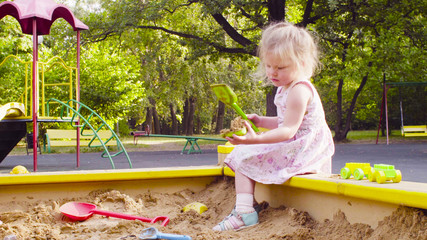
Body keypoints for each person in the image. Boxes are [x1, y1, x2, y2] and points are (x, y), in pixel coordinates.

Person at [213, 22, 335, 231]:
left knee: (243, 155)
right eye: (269, 66)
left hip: (303, 149)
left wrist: (256, 139)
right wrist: (260, 121)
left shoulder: (299, 90)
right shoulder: (285, 86)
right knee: (243, 152)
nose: (272, 73)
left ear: (302, 63)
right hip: (294, 143)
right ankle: (246, 207)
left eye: (280, 68)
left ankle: (244, 213)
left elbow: (289, 130)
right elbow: (283, 121)